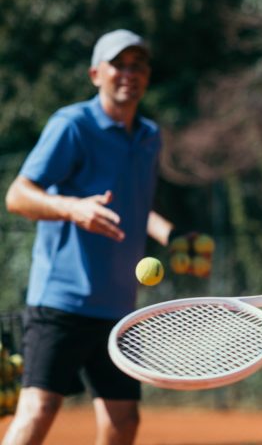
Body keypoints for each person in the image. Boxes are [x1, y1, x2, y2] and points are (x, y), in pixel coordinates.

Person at [3, 29, 176, 445]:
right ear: (96, 73)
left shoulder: (149, 136)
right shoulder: (72, 125)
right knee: (39, 410)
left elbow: (136, 206)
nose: (128, 73)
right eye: (119, 64)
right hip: (61, 300)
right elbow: (18, 195)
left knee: (123, 421)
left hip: (119, 307)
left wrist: (173, 236)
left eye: (138, 65)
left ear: (147, 76)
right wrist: (73, 208)